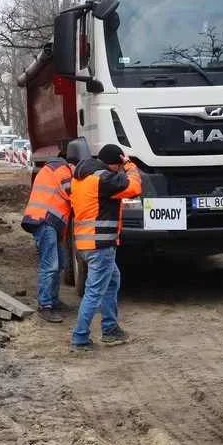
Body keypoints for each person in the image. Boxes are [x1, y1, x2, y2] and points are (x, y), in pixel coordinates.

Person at [69, 143, 142, 352]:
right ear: (114, 164)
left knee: (112, 281)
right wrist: (129, 165)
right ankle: (80, 337)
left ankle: (110, 329)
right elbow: (135, 187)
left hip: (84, 243)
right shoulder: (104, 179)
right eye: (118, 166)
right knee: (94, 291)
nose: (119, 170)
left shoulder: (82, 176)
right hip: (100, 245)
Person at [21, 145, 76, 323]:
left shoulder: (50, 169)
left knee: (60, 263)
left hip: (48, 222)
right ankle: (45, 305)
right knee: (50, 265)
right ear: (72, 163)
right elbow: (73, 194)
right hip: (45, 221)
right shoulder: (62, 169)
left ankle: (52, 300)